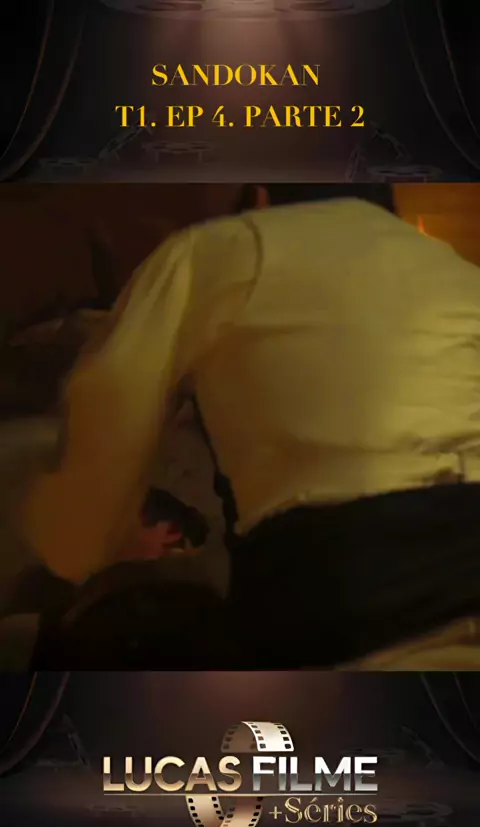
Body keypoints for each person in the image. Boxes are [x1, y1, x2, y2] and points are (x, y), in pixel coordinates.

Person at [20, 183, 480, 667]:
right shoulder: (457, 271)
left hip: (357, 587)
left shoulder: (227, 247)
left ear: (259, 197)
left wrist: (85, 550)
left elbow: (109, 401)